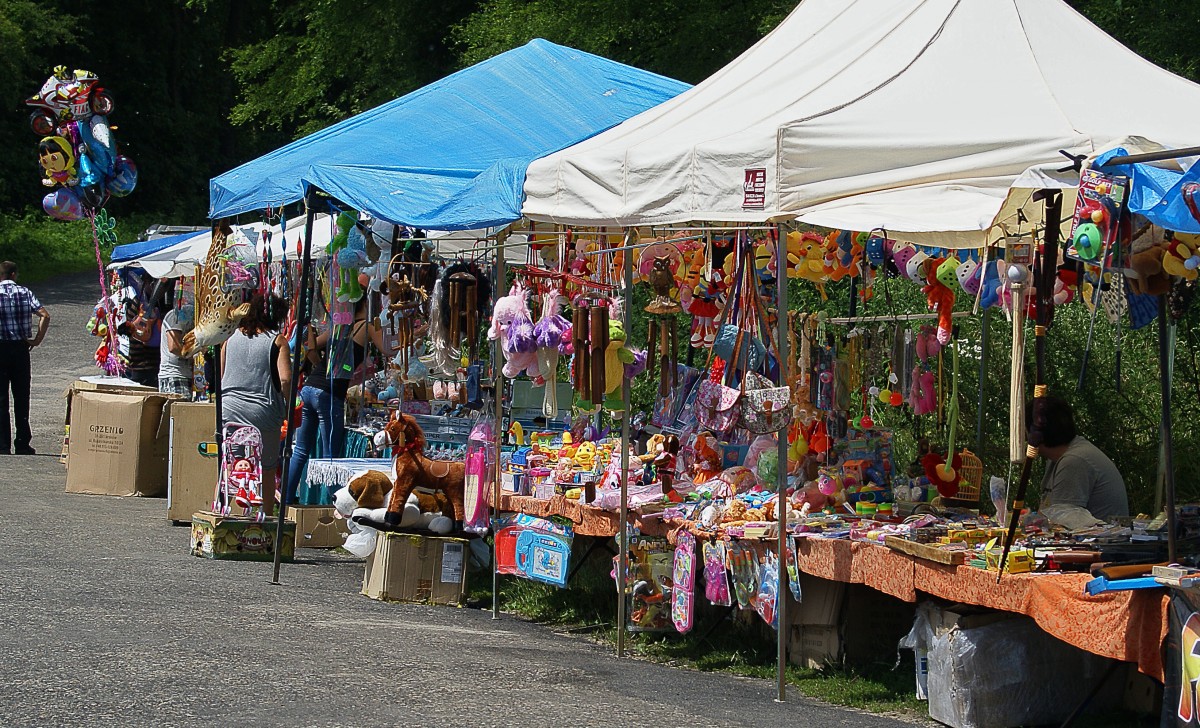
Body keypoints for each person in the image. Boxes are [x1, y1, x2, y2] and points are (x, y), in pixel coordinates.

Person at [285, 295, 388, 502]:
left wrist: (316, 360)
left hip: (310, 387)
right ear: (366, 304)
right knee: (330, 455)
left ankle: (287, 498)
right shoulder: (366, 327)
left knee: (301, 449)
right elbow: (388, 349)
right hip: (329, 394)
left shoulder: (338, 327)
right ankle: (332, 503)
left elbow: (309, 346)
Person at [221, 293, 290, 515]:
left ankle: (226, 507)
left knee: (233, 462)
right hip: (263, 412)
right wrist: (288, 406)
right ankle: (267, 515)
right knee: (267, 467)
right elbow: (286, 379)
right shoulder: (277, 341)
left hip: (228, 410)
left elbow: (221, 373)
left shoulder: (229, 337)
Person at [1029, 395, 1128, 521]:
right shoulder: (1057, 458)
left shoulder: (1074, 461)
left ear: (1037, 433)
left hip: (1098, 540)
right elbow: (1045, 515)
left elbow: (1060, 524)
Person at [0, 261, 49, 455]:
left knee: (1, 398)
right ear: (13, 274)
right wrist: (36, 340)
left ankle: (2, 444)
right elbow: (45, 315)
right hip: (20, 348)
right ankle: (22, 442)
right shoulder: (25, 292)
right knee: (21, 396)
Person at [159, 305, 194, 396]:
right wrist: (193, 356)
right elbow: (173, 346)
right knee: (180, 408)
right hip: (174, 375)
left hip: (184, 374)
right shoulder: (176, 315)